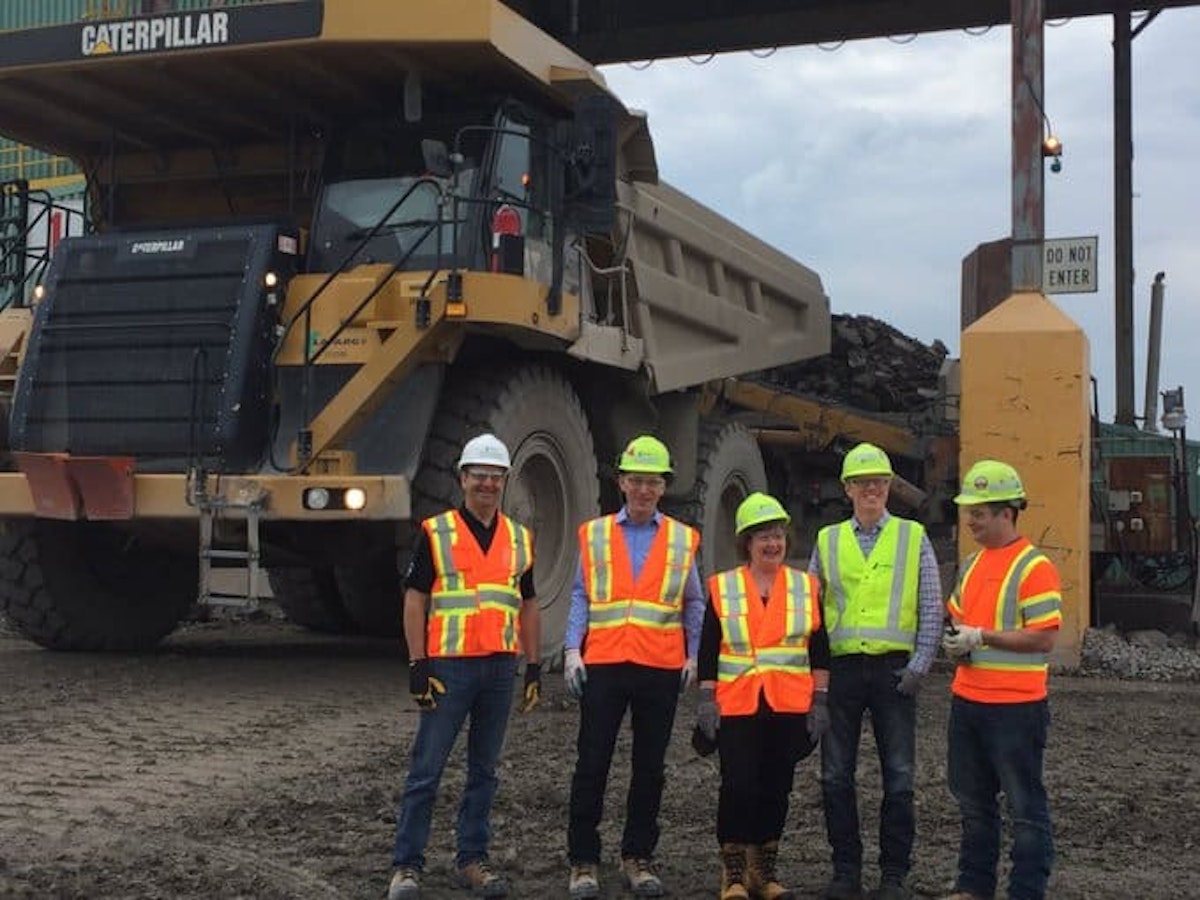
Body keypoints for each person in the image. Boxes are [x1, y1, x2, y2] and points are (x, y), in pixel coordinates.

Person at [388, 433, 542, 900]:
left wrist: (533, 665)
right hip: (449, 669)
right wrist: (418, 663)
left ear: (505, 481)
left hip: (498, 669)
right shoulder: (437, 533)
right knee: (426, 771)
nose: (488, 485)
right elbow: (416, 599)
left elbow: (528, 604)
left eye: (495, 478)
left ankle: (472, 860)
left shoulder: (519, 537)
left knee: (484, 771)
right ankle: (406, 866)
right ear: (462, 479)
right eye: (479, 476)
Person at [564, 434, 704, 899]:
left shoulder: (682, 540)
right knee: (592, 764)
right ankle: (584, 860)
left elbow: (693, 601)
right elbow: (582, 593)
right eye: (636, 480)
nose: (643, 490)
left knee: (649, 768)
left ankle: (637, 857)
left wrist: (693, 654)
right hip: (603, 663)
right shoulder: (596, 533)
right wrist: (571, 649)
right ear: (621, 482)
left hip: (659, 667)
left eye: (653, 482)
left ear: (664, 487)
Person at [809, 442, 944, 900]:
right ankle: (846, 872)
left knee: (900, 777)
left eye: (880, 482)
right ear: (847, 488)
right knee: (834, 776)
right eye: (863, 482)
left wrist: (920, 666)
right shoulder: (827, 541)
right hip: (842, 672)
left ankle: (893, 876)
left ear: (889, 487)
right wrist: (817, 677)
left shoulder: (912, 537)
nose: (872, 489)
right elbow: (812, 613)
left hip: (894, 673)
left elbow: (930, 605)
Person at [695, 492, 831, 900]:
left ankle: (763, 871)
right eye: (763, 538)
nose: (772, 545)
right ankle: (733, 874)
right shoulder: (724, 587)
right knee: (737, 785)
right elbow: (708, 648)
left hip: (789, 704)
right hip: (737, 705)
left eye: (777, 536)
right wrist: (706, 699)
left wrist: (820, 699)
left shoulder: (806, 587)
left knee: (776, 788)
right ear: (747, 544)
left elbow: (818, 648)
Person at [939, 460, 1061, 900]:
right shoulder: (972, 566)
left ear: (1007, 512)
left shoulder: (1034, 567)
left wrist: (981, 636)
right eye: (969, 511)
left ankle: (1025, 891)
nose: (970, 519)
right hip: (969, 701)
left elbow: (1044, 637)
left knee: (1025, 808)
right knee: (973, 806)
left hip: (1016, 707)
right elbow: (958, 618)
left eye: (979, 512)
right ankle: (973, 887)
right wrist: (957, 642)